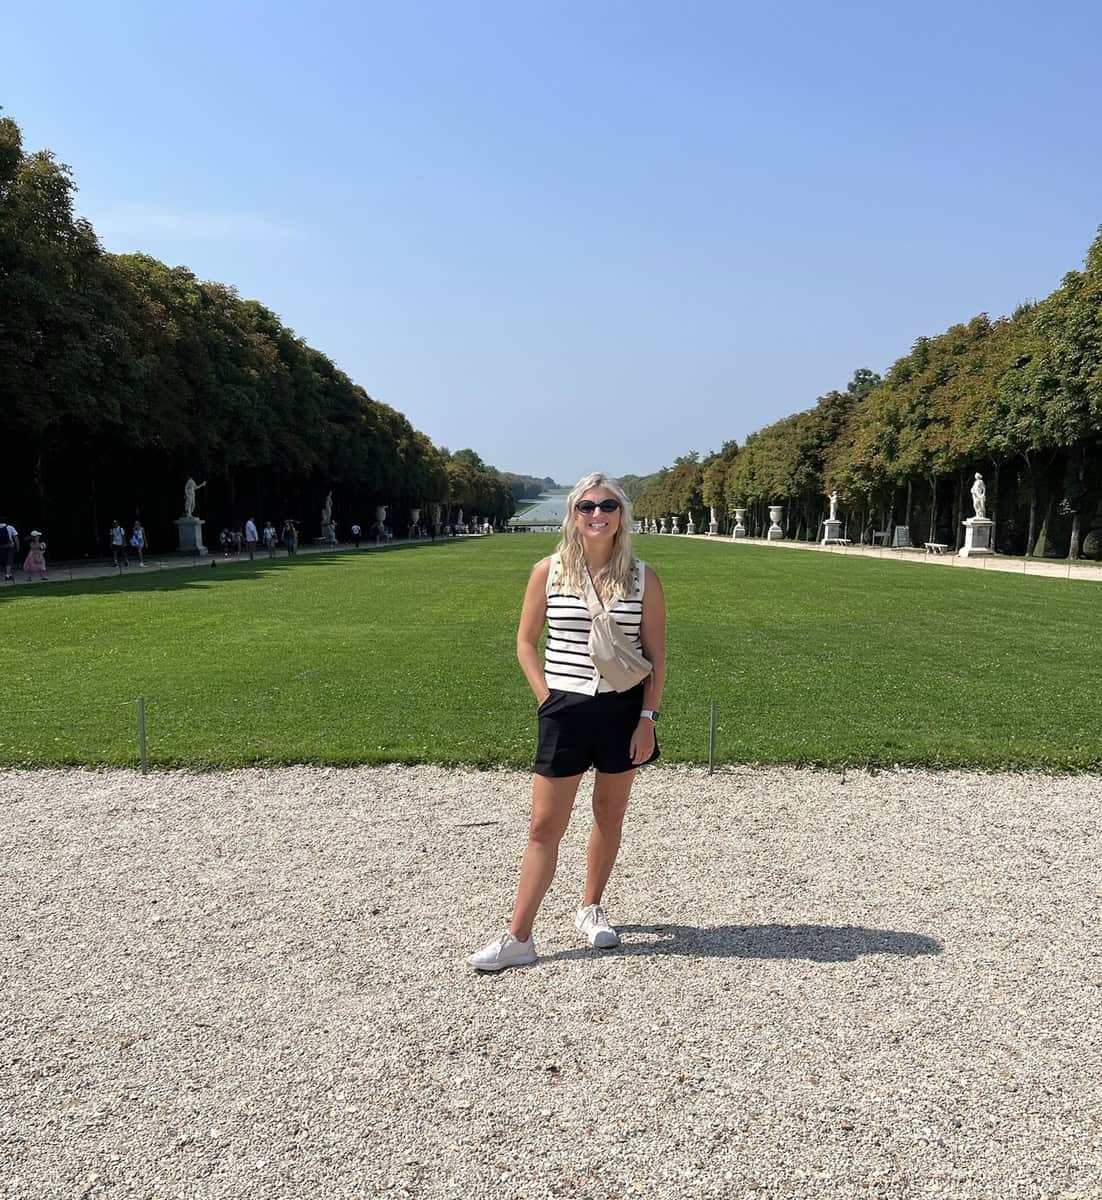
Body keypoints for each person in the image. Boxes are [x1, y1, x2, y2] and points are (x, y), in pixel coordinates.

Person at [467, 473, 667, 973]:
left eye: (607, 505)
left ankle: (590, 906)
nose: (597, 514)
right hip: (565, 708)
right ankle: (519, 935)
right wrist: (546, 699)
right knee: (544, 826)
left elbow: (657, 658)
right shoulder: (549, 571)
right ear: (573, 514)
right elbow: (525, 642)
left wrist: (647, 718)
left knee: (608, 815)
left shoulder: (643, 577)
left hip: (623, 711)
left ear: (622, 514)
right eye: (586, 506)